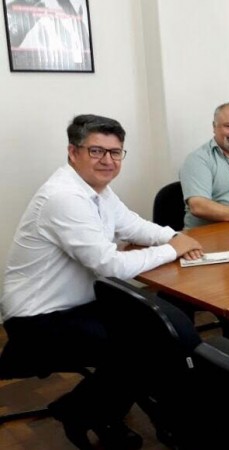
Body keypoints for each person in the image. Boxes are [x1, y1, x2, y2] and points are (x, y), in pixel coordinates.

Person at [0, 114, 204, 449]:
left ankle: (106, 412)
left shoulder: (97, 190)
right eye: (96, 151)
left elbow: (132, 225)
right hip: (37, 318)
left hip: (77, 303)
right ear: (73, 152)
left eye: (115, 152)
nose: (107, 160)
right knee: (142, 346)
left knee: (154, 331)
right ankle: (82, 412)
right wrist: (172, 249)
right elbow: (110, 265)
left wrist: (175, 236)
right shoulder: (64, 197)